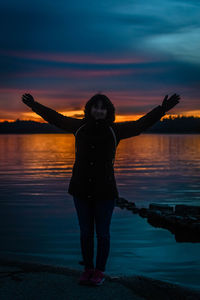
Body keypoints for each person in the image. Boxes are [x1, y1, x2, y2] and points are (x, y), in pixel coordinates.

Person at [22, 92, 180, 286]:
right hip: (80, 190)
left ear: (108, 111)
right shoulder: (78, 127)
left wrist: (162, 109)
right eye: (95, 107)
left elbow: (141, 124)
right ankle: (87, 269)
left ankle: (99, 271)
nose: (98, 110)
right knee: (85, 232)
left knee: (103, 233)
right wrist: (34, 106)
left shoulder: (115, 130)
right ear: (89, 109)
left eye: (102, 107)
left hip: (105, 192)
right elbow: (55, 118)